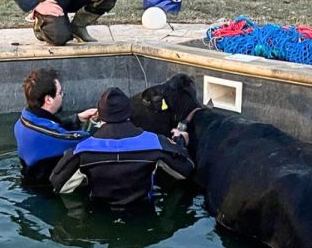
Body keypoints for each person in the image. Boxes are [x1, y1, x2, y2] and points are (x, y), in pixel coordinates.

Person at [50, 87, 194, 207]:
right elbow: (186, 169)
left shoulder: (83, 150)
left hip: (101, 219)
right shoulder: (154, 143)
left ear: (99, 115)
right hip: (142, 217)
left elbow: (58, 185)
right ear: (129, 112)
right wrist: (180, 141)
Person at [14, 68, 97, 186]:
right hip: (44, 192)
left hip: (30, 176)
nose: (62, 96)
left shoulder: (25, 118)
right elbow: (80, 140)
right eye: (60, 93)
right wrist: (102, 126)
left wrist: (77, 119)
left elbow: (51, 128)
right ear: (48, 99)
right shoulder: (48, 135)